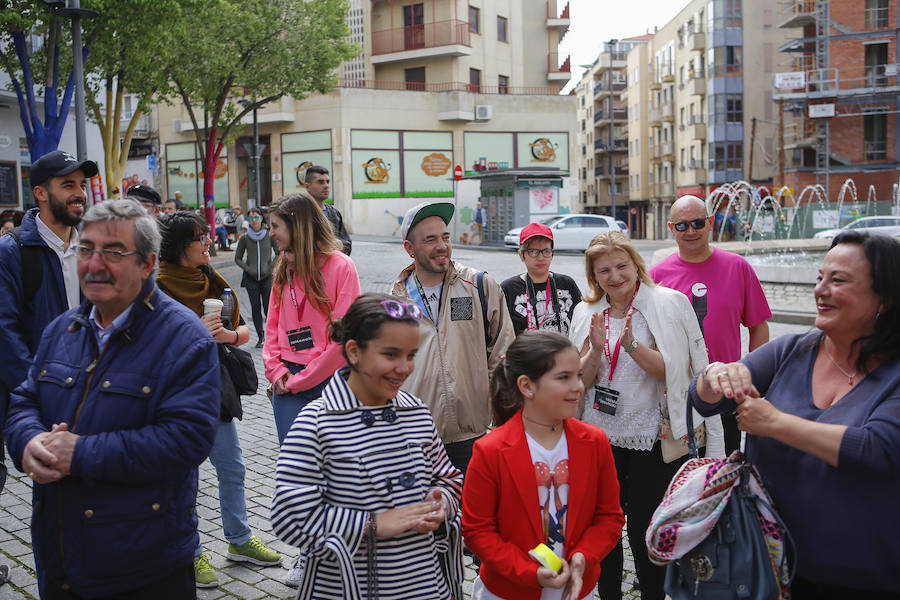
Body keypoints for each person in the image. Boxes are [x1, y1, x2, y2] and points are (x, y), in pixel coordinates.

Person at [4, 199, 220, 598]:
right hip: (60, 561)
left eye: (114, 252)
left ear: (147, 263)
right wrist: (28, 442)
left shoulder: (184, 339)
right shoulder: (62, 328)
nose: (95, 263)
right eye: (86, 250)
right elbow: (24, 400)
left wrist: (79, 453)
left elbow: (186, 441)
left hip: (143, 568)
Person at [691, 231, 900, 599]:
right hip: (767, 564)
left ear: (884, 298)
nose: (820, 290)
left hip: (863, 577)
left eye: (838, 280)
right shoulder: (793, 350)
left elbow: (877, 449)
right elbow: (703, 400)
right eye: (820, 277)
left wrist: (775, 424)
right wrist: (715, 375)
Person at [271, 293, 464, 599]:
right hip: (348, 590)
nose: (404, 368)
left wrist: (441, 505)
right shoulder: (317, 423)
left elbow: (450, 479)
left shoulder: (416, 412)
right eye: (391, 355)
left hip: (425, 587)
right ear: (354, 352)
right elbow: (290, 518)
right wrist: (373, 523)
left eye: (411, 355)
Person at [569, 232, 724, 600]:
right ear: (593, 275)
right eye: (603, 270)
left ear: (636, 266)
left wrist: (632, 346)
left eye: (621, 266)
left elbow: (675, 373)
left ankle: (653, 595)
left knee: (647, 529)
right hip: (598, 438)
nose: (614, 276)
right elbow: (579, 383)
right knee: (602, 532)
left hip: (652, 440)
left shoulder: (668, 303)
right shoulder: (585, 311)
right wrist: (591, 354)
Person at [157, 210, 282, 589]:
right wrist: (194, 331)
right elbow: (150, 344)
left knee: (232, 468)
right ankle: (191, 553)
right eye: (200, 237)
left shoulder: (212, 278)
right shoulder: (156, 287)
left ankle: (240, 540)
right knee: (185, 479)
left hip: (214, 387)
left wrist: (228, 336)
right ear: (181, 247)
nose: (210, 241)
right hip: (174, 396)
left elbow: (242, 331)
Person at [462, 331, 625, 600]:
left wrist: (584, 555)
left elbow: (609, 516)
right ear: (527, 386)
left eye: (578, 376)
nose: (579, 386)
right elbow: (478, 531)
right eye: (564, 377)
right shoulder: (490, 450)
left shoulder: (594, 442)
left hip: (575, 592)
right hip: (507, 593)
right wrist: (529, 572)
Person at [390, 201, 515, 474]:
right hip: (418, 438)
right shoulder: (395, 300)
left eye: (445, 237)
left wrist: (495, 416)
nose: (442, 246)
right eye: (430, 239)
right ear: (410, 249)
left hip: (475, 435)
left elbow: (504, 354)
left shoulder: (479, 286)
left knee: (474, 515)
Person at [650, 194, 771, 454]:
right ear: (671, 228)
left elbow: (758, 326)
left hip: (724, 393)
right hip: (676, 393)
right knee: (678, 475)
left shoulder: (738, 268)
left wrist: (753, 378)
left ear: (711, 222)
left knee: (721, 471)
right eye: (682, 225)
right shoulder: (657, 275)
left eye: (698, 223)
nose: (691, 231)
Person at [264, 191, 360, 447]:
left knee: (336, 470)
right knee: (296, 466)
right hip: (288, 381)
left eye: (275, 226)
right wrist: (276, 371)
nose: (270, 233)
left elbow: (344, 337)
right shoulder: (284, 266)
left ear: (297, 227)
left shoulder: (341, 266)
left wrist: (302, 380)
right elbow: (272, 327)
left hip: (333, 381)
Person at [501, 222, 582, 336]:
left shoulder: (567, 284)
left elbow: (581, 321)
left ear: (552, 253)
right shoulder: (509, 288)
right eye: (533, 252)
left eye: (546, 251)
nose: (540, 257)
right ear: (521, 255)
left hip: (564, 352)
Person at [234, 207, 277, 348]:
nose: (253, 221)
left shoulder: (269, 235)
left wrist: (270, 267)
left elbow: (279, 253)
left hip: (266, 277)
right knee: (255, 307)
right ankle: (260, 337)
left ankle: (272, 337)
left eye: (256, 217)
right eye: (251, 218)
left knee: (268, 307)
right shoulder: (245, 238)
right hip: (251, 278)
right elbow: (238, 258)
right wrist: (248, 268)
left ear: (261, 218)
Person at [305, 165, 351, 255]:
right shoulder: (300, 213)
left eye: (327, 182)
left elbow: (347, 243)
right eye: (320, 182)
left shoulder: (334, 213)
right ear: (307, 186)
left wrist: (341, 244)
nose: (326, 186)